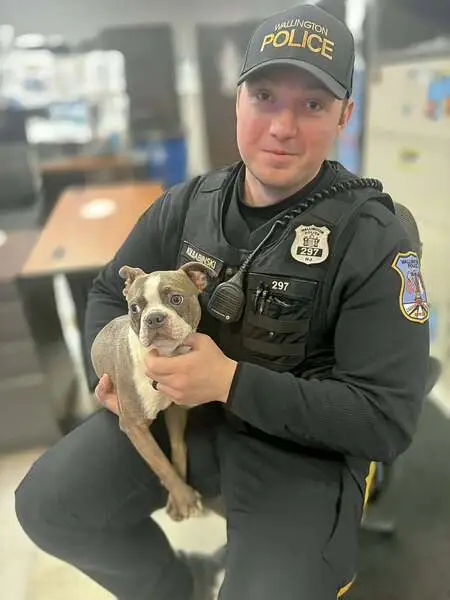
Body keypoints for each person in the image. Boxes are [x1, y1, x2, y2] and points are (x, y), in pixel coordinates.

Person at [15, 4, 430, 600]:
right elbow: (109, 290)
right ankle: (176, 586)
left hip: (299, 451)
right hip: (183, 420)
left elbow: (384, 419)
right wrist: (115, 371)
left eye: (313, 104)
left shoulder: (373, 237)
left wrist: (229, 381)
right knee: (48, 506)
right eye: (264, 96)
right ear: (237, 100)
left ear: (345, 114)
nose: (282, 126)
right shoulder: (187, 205)